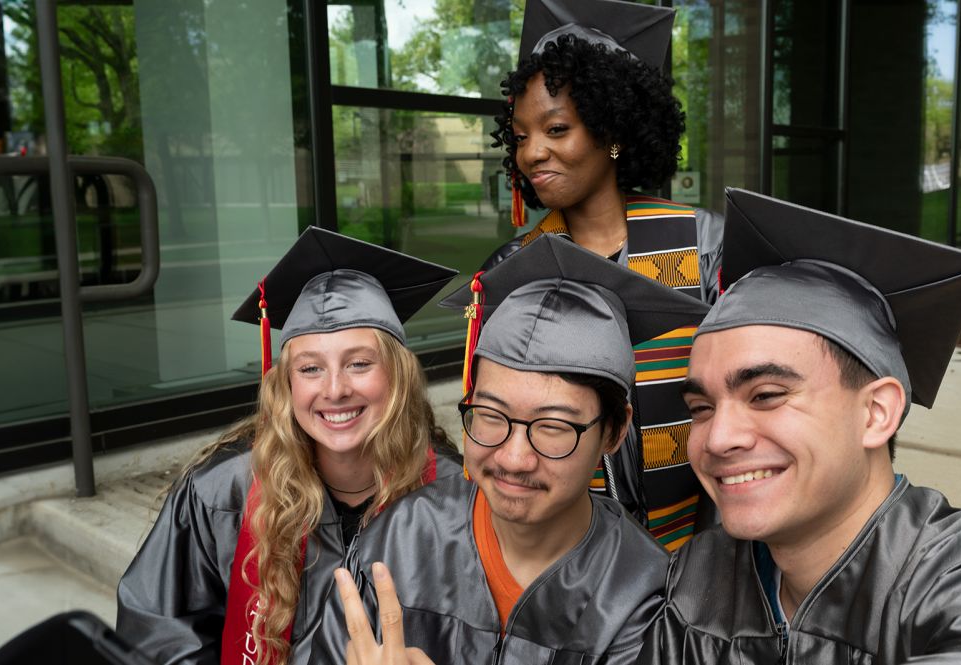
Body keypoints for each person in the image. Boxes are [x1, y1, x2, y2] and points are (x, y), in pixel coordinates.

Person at [638, 189, 961, 663]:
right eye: (701, 408)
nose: (719, 438)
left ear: (877, 413)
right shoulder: (695, 581)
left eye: (767, 395)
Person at [314, 234, 711, 664]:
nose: (513, 458)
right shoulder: (401, 539)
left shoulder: (643, 594)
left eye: (553, 426)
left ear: (613, 433)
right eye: (490, 415)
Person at [116, 228, 462, 665]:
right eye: (310, 368)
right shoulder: (223, 492)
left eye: (359, 364)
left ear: (398, 375)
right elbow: (157, 636)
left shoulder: (454, 495)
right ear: (287, 383)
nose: (335, 390)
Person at [482, 0, 722, 552]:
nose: (532, 152)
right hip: (570, 554)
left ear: (613, 133)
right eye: (519, 136)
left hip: (701, 542)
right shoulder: (515, 267)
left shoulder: (704, 246)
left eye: (556, 128)